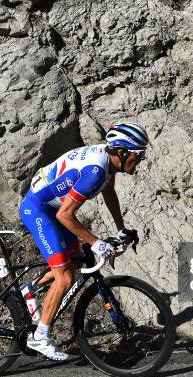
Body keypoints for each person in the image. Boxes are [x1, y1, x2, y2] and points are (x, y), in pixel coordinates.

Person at [18, 122, 149, 360]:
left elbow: (109, 193)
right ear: (122, 152)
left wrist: (121, 229)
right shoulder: (96, 171)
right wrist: (97, 243)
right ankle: (40, 337)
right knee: (65, 277)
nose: (140, 160)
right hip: (39, 209)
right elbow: (65, 215)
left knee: (77, 265)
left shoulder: (107, 162)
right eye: (139, 155)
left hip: (53, 208)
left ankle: (31, 288)